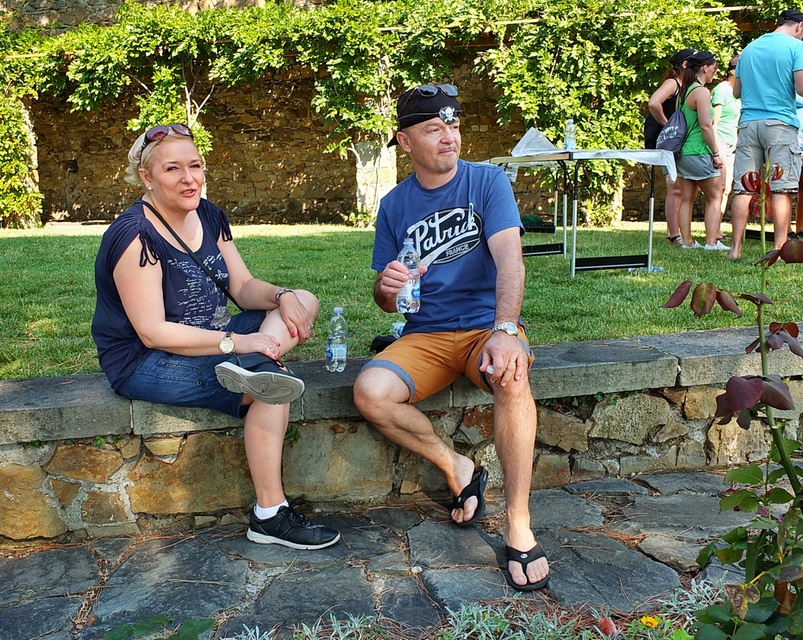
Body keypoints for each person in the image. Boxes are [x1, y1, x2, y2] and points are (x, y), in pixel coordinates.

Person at [92, 123, 340, 550]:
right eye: (173, 169)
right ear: (147, 177)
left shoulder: (208, 214)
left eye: (195, 166)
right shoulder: (135, 235)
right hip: (145, 360)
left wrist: (281, 296)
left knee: (304, 299)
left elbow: (242, 288)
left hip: (211, 336)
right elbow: (152, 333)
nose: (189, 178)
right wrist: (238, 343)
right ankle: (270, 515)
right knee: (270, 390)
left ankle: (258, 364)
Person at [352, 84, 549, 592]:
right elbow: (387, 298)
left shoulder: (487, 182)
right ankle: (457, 465)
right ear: (405, 141)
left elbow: (511, 262)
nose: (449, 137)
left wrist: (506, 329)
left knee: (511, 375)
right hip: (428, 334)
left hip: (486, 326)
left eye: (453, 126)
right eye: (433, 129)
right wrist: (385, 289)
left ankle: (518, 522)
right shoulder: (394, 205)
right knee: (370, 392)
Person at [729, 9, 803, 259]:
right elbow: (802, 88)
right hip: (780, 124)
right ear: (800, 27)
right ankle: (779, 249)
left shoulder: (749, 49)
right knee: (782, 189)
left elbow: (736, 92)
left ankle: (735, 249)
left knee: (743, 188)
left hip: (748, 124)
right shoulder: (796, 47)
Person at [674, 51, 727, 250]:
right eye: (714, 67)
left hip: (683, 153)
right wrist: (716, 153)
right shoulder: (702, 92)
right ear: (705, 67)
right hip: (699, 151)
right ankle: (711, 242)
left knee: (687, 198)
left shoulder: (683, 92)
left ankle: (687, 242)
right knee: (715, 196)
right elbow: (706, 126)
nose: (715, 72)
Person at [646, 48, 696, 245]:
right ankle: (673, 234)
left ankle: (677, 231)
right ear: (685, 65)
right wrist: (668, 125)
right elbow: (653, 103)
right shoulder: (673, 83)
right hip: (670, 144)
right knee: (675, 188)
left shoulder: (687, 86)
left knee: (681, 188)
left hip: (680, 143)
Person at [712, 55, 741, 230]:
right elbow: (713, 122)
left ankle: (717, 229)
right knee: (720, 188)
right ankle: (713, 231)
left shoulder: (739, 93)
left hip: (731, 146)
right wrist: (717, 151)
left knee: (727, 188)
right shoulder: (721, 90)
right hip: (720, 144)